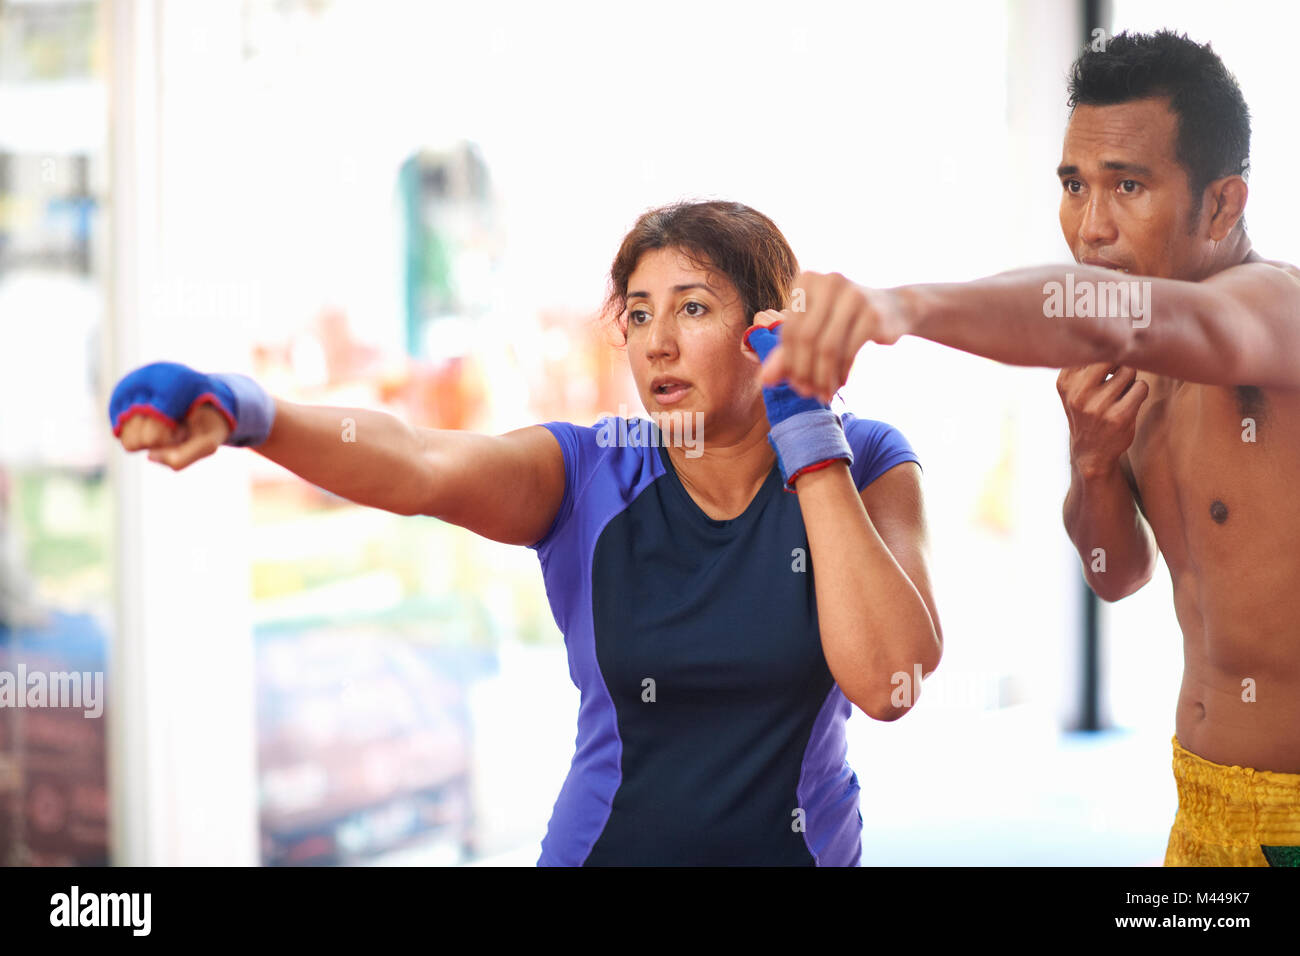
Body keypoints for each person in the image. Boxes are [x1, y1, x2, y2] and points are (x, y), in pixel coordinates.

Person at [107, 199, 943, 866]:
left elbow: (889, 681)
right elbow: (417, 462)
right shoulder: (590, 471)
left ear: (768, 330)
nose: (657, 342)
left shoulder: (864, 457)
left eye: (693, 308)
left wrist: (808, 435)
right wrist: (248, 411)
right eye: (639, 315)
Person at [766, 30, 1300, 866]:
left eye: (1129, 187)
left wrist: (900, 307)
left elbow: (1100, 307)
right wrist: (1092, 462)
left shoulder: (1270, 312)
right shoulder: (1143, 364)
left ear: (1223, 205)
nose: (1092, 227)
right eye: (1074, 185)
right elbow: (1115, 576)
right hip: (1203, 801)